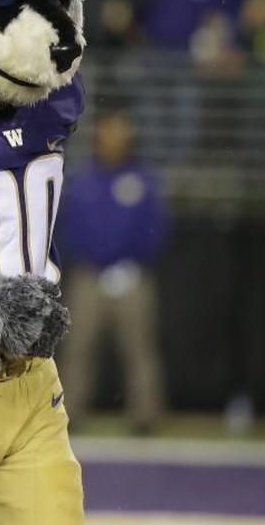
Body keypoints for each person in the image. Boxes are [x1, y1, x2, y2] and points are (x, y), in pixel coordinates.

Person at [58, 110, 169, 435]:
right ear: (98, 138)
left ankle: (145, 417)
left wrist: (129, 261)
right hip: (89, 276)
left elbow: (156, 228)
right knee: (78, 349)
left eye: (120, 134)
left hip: (131, 276)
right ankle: (67, 414)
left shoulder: (142, 181)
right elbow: (69, 227)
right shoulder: (83, 180)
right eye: (109, 133)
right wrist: (94, 258)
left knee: (140, 349)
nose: (114, 141)